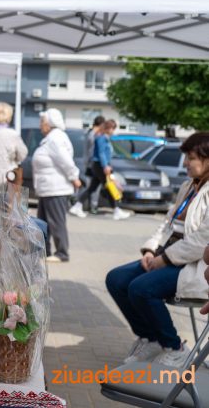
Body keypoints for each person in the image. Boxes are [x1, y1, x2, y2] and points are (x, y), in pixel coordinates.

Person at [106, 132, 209, 368]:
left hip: (194, 265)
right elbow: (166, 224)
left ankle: (175, 347)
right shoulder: (189, 186)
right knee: (116, 279)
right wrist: (151, 251)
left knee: (141, 289)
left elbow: (203, 241)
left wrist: (165, 259)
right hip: (168, 256)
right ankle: (151, 339)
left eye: (190, 158)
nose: (185, 163)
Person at [32, 109, 82, 263]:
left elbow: (65, 161)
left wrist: (74, 177)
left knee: (56, 222)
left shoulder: (56, 139)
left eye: (42, 122)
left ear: (50, 123)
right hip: (47, 189)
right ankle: (44, 252)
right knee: (44, 222)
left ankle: (62, 253)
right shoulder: (51, 138)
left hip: (56, 188)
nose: (40, 125)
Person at [83, 119, 131, 220]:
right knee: (110, 187)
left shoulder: (103, 137)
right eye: (113, 128)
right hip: (100, 165)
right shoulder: (101, 138)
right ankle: (117, 210)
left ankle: (77, 205)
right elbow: (101, 153)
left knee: (93, 187)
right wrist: (105, 166)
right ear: (108, 128)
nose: (113, 131)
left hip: (99, 165)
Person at [69, 115, 106, 218]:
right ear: (101, 124)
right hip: (91, 164)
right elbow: (92, 151)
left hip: (87, 163)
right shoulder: (93, 135)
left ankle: (77, 200)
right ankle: (88, 204)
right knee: (93, 187)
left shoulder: (88, 133)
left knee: (91, 186)